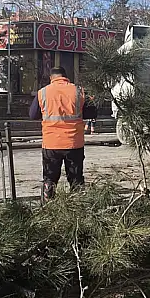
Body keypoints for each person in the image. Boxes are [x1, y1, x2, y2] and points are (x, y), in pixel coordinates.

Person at [29, 67, 96, 201]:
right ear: (66, 77)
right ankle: (78, 207)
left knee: (50, 178)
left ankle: (48, 208)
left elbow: (32, 115)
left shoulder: (43, 93)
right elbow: (92, 113)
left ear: (51, 78)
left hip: (51, 143)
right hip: (74, 143)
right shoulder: (79, 91)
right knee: (76, 178)